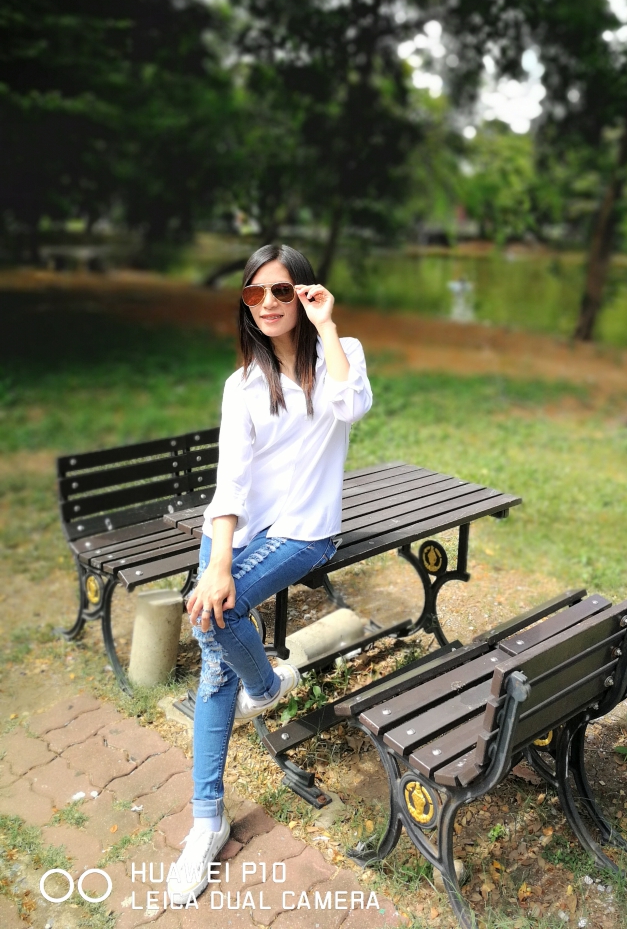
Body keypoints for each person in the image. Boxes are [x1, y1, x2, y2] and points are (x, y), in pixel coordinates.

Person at [167, 244, 372, 904]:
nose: (268, 304)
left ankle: (211, 809)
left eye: (282, 290)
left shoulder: (342, 353)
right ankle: (212, 809)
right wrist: (219, 562)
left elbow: (352, 406)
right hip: (235, 530)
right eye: (254, 294)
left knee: (212, 624)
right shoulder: (243, 386)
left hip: (304, 533)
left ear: (305, 293)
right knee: (212, 632)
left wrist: (326, 325)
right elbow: (229, 484)